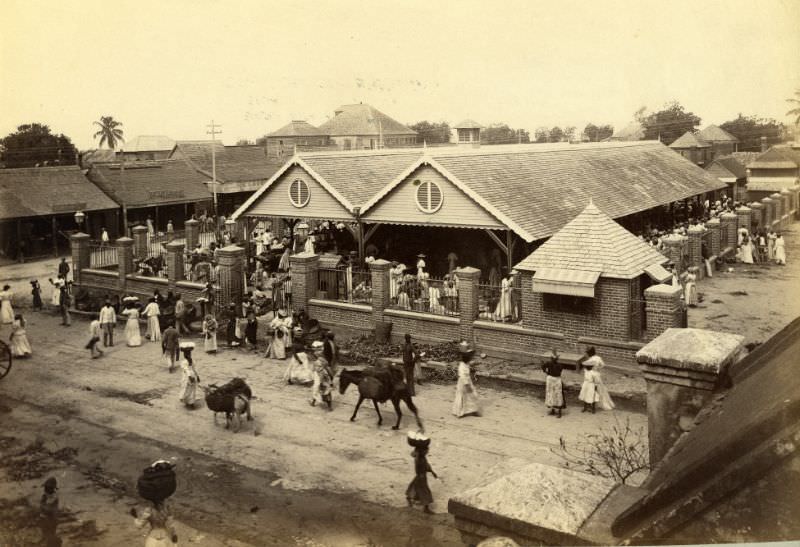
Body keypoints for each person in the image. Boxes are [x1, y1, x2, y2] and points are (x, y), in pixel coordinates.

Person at [405, 432, 439, 514]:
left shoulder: (420, 457)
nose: (427, 452)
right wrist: (431, 471)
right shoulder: (420, 459)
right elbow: (425, 467)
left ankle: (410, 497)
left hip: (420, 476)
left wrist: (432, 472)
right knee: (425, 492)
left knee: (415, 487)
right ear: (422, 451)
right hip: (421, 477)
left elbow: (426, 466)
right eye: (426, 450)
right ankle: (426, 508)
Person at [452, 342, 480, 418]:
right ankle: (459, 412)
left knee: (473, 395)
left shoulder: (465, 363)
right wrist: (467, 385)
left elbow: (470, 361)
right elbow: (463, 376)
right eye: (469, 359)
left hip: (468, 381)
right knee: (462, 396)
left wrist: (476, 363)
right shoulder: (461, 366)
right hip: (463, 383)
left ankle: (473, 410)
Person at [310, 341, 334, 410]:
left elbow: (314, 369)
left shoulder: (320, 360)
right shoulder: (321, 360)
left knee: (319, 388)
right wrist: (331, 376)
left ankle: (314, 402)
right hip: (321, 375)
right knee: (322, 389)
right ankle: (328, 405)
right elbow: (327, 369)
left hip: (321, 375)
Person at [542, 350, 565, 417]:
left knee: (555, 394)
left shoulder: (550, 363)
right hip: (555, 379)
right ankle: (554, 410)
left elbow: (543, 366)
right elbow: (543, 366)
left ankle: (558, 411)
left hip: (553, 379)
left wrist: (546, 372)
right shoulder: (559, 365)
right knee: (554, 394)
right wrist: (546, 371)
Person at [40, 477, 61, 547]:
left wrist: (43, 505)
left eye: (47, 488)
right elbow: (42, 506)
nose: (45, 490)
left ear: (51, 489)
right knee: (46, 534)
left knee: (51, 535)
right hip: (45, 519)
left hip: (51, 519)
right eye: (45, 488)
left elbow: (48, 508)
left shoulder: (54, 497)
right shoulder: (45, 496)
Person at [179, 342, 200, 407]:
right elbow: (188, 369)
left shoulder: (189, 361)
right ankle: (189, 401)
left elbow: (191, 368)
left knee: (190, 389)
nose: (188, 355)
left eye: (189, 353)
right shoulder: (186, 361)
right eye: (187, 354)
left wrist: (196, 376)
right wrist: (192, 376)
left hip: (190, 375)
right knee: (189, 389)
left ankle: (191, 402)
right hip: (189, 376)